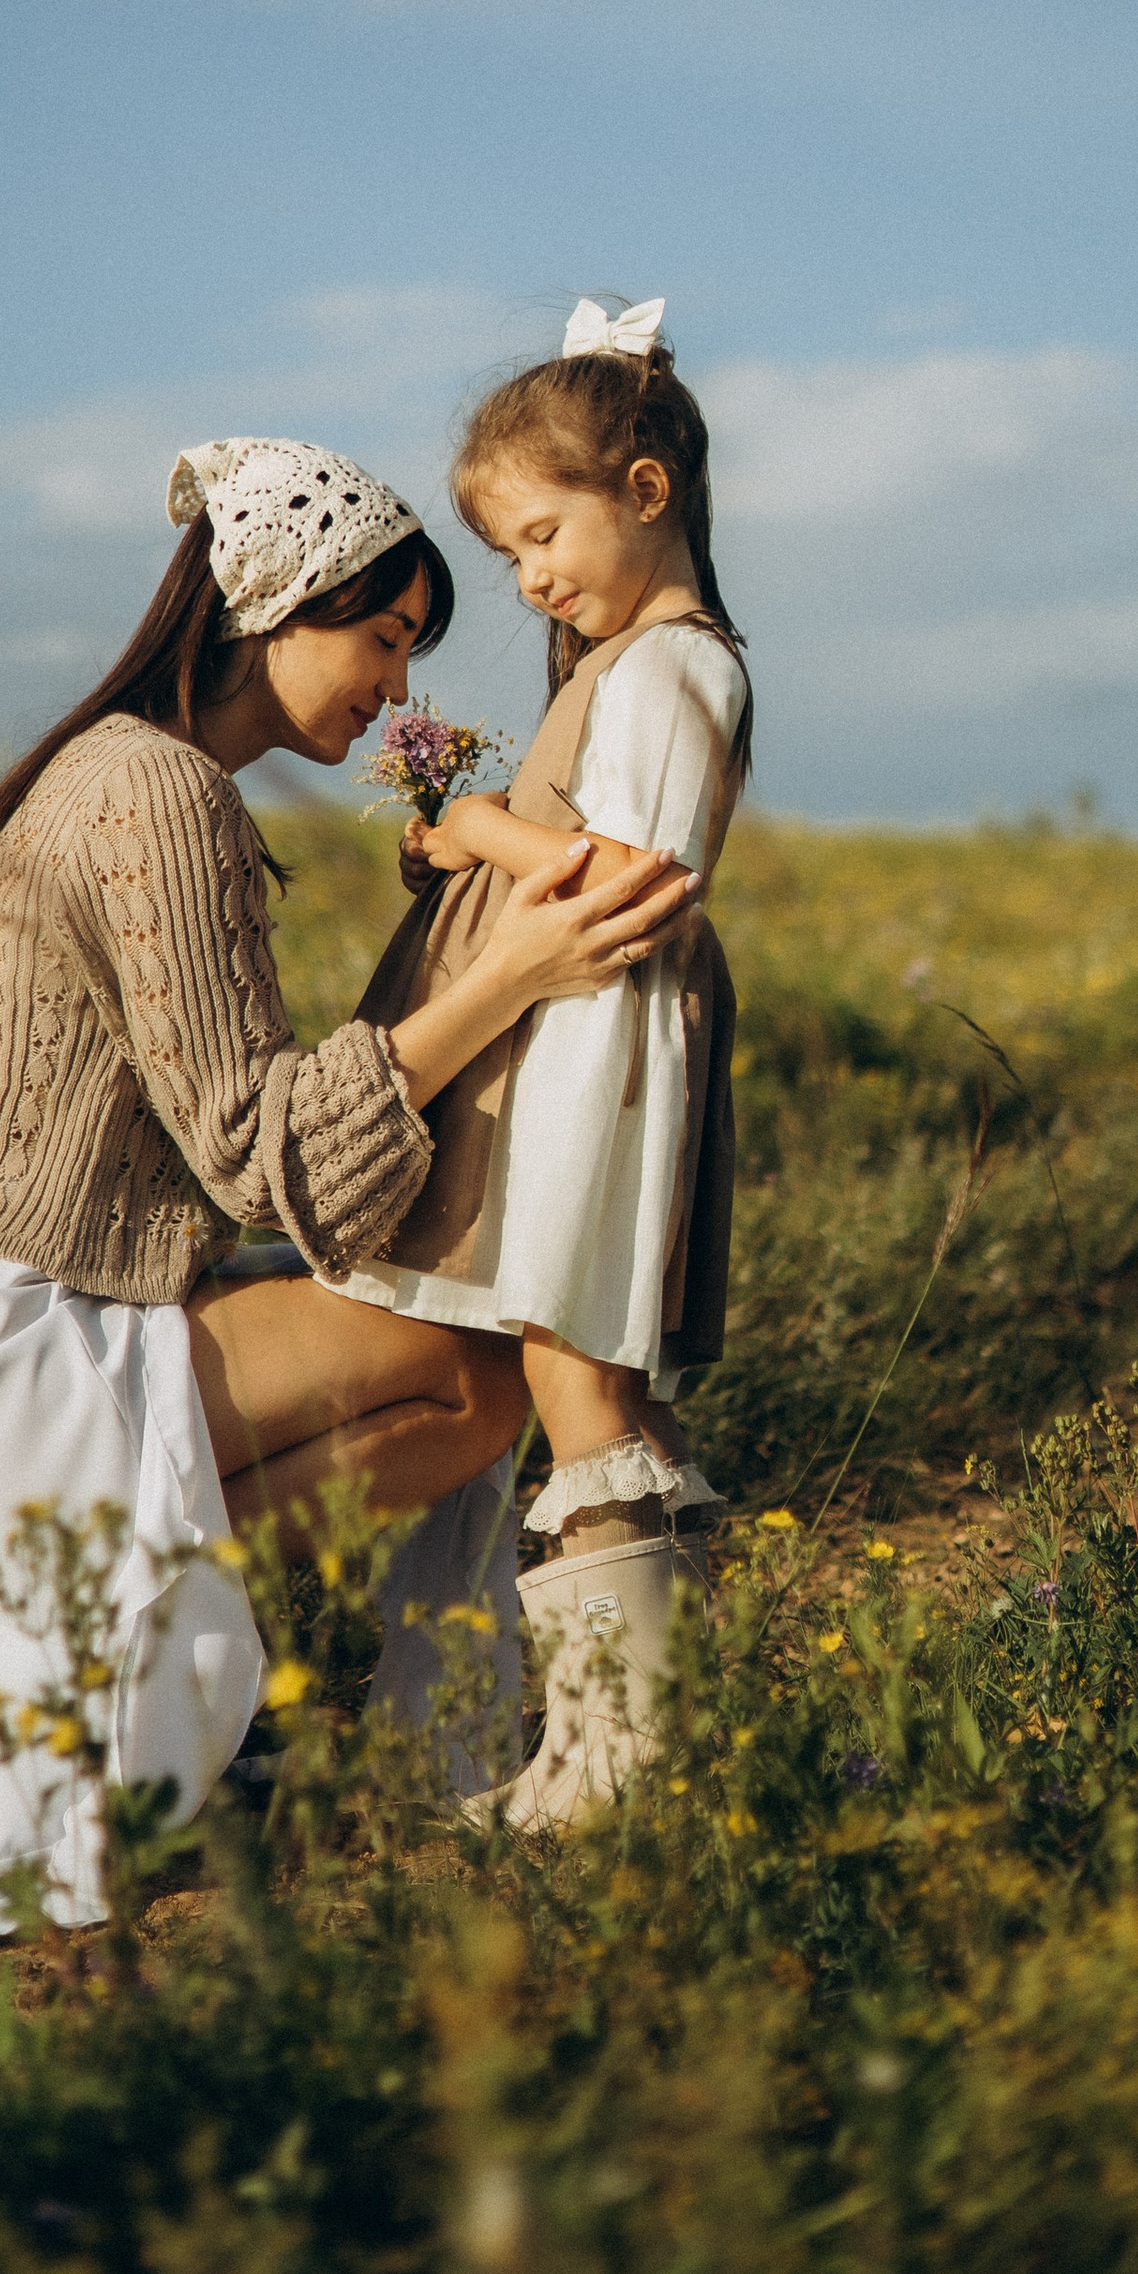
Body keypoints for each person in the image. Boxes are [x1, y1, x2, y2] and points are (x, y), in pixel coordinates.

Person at [0, 436, 695, 1938]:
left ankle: (155, 1647)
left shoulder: (113, 769)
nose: (396, 687)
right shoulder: (159, 789)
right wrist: (511, 973)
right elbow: (261, 1154)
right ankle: (371, 1705)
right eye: (380, 636)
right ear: (270, 607)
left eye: (413, 649)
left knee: (452, 1379)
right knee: (472, 1368)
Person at [339, 298, 750, 1828]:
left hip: (603, 1055)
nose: (528, 579)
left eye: (539, 535)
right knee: (577, 1369)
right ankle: (613, 1745)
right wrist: (475, 841)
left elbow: (644, 881)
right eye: (508, 552)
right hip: (575, 1044)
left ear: (644, 491)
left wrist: (481, 828)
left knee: (580, 1366)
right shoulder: (629, 664)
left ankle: (619, 1762)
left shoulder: (676, 669)